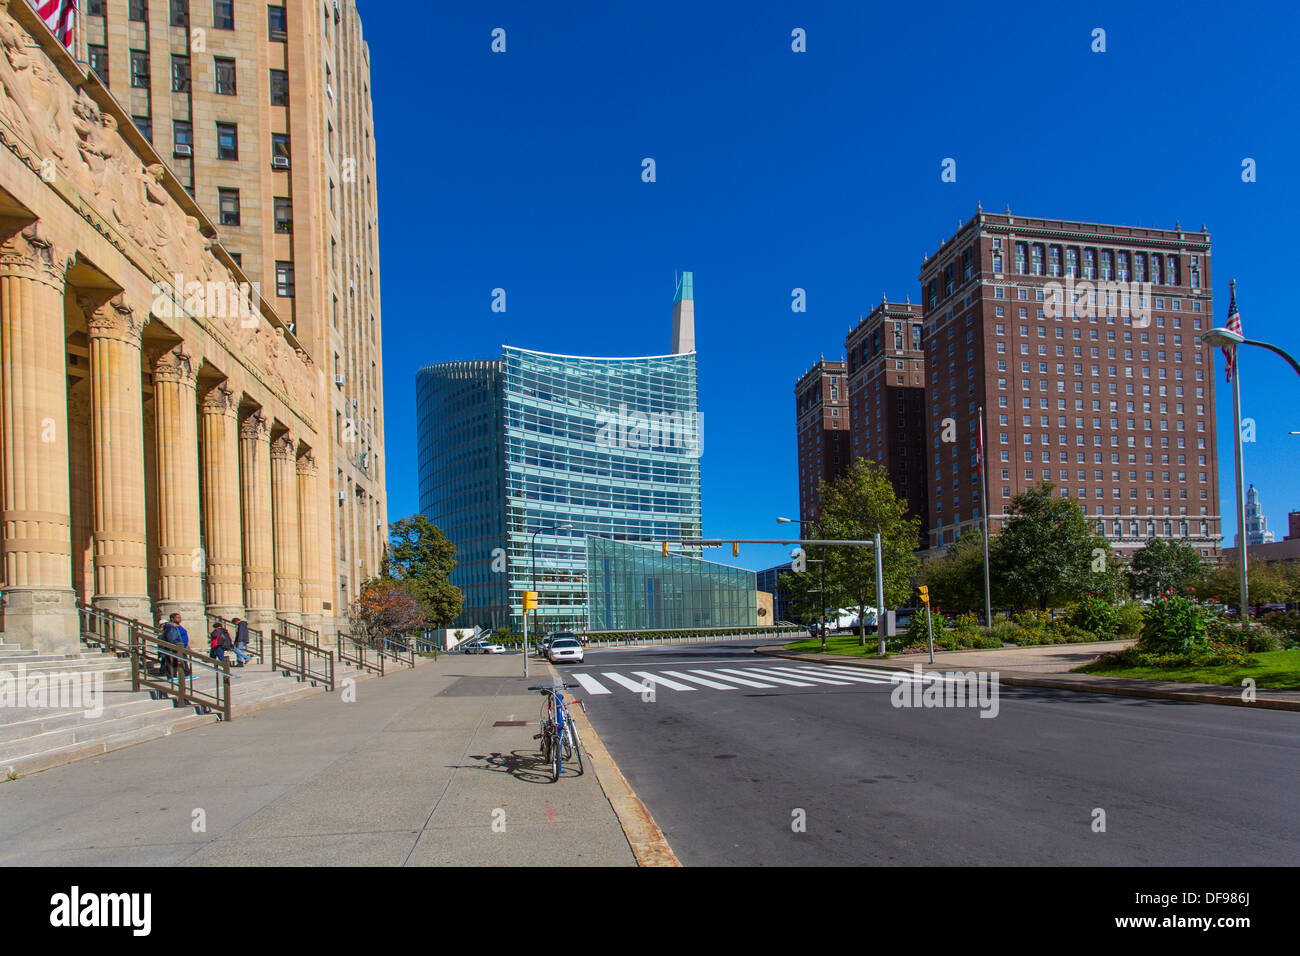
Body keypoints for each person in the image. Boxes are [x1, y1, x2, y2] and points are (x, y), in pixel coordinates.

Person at [159, 613, 189, 681]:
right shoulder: (171, 627)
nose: (179, 619)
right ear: (172, 618)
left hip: (182, 647)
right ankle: (172, 676)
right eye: (177, 617)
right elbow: (172, 637)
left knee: (183, 660)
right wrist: (176, 644)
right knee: (172, 661)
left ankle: (186, 674)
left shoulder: (178, 626)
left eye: (180, 617)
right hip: (175, 646)